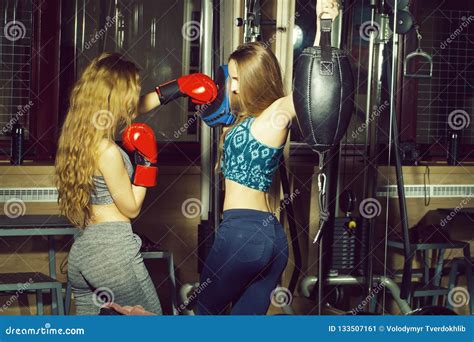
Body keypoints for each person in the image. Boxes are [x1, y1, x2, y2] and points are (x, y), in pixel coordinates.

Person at [195, 0, 341, 315]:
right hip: (270, 238)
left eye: (236, 80)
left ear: (254, 79)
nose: (231, 88)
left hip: (241, 234)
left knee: (202, 315)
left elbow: (307, 91)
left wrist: (323, 29)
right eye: (230, 79)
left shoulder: (275, 115)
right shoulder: (244, 120)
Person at [54, 52, 217, 315]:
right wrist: (147, 163)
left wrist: (179, 88)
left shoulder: (80, 137)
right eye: (129, 95)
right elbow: (130, 208)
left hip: (84, 251)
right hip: (113, 253)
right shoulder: (107, 151)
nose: (132, 102)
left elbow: (134, 108)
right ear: (117, 97)